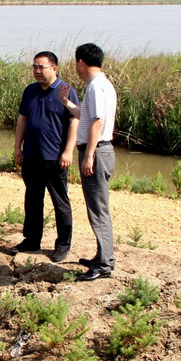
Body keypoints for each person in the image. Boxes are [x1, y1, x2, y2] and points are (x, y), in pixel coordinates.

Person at [10, 51, 79, 262]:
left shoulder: (66, 91)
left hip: (55, 158)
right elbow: (22, 119)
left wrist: (68, 151)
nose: (37, 71)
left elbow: (74, 122)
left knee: (60, 202)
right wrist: (17, 147)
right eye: (35, 67)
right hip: (32, 156)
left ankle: (63, 244)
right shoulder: (30, 90)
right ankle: (32, 240)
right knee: (32, 200)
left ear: (54, 69)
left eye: (42, 67)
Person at [59, 43, 118, 281]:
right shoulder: (100, 84)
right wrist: (68, 104)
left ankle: (104, 265)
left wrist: (90, 155)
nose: (76, 67)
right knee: (97, 207)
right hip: (99, 150)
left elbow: (97, 122)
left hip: (98, 151)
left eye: (76, 63)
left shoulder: (96, 86)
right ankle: (103, 257)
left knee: (98, 210)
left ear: (81, 62)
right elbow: (86, 116)